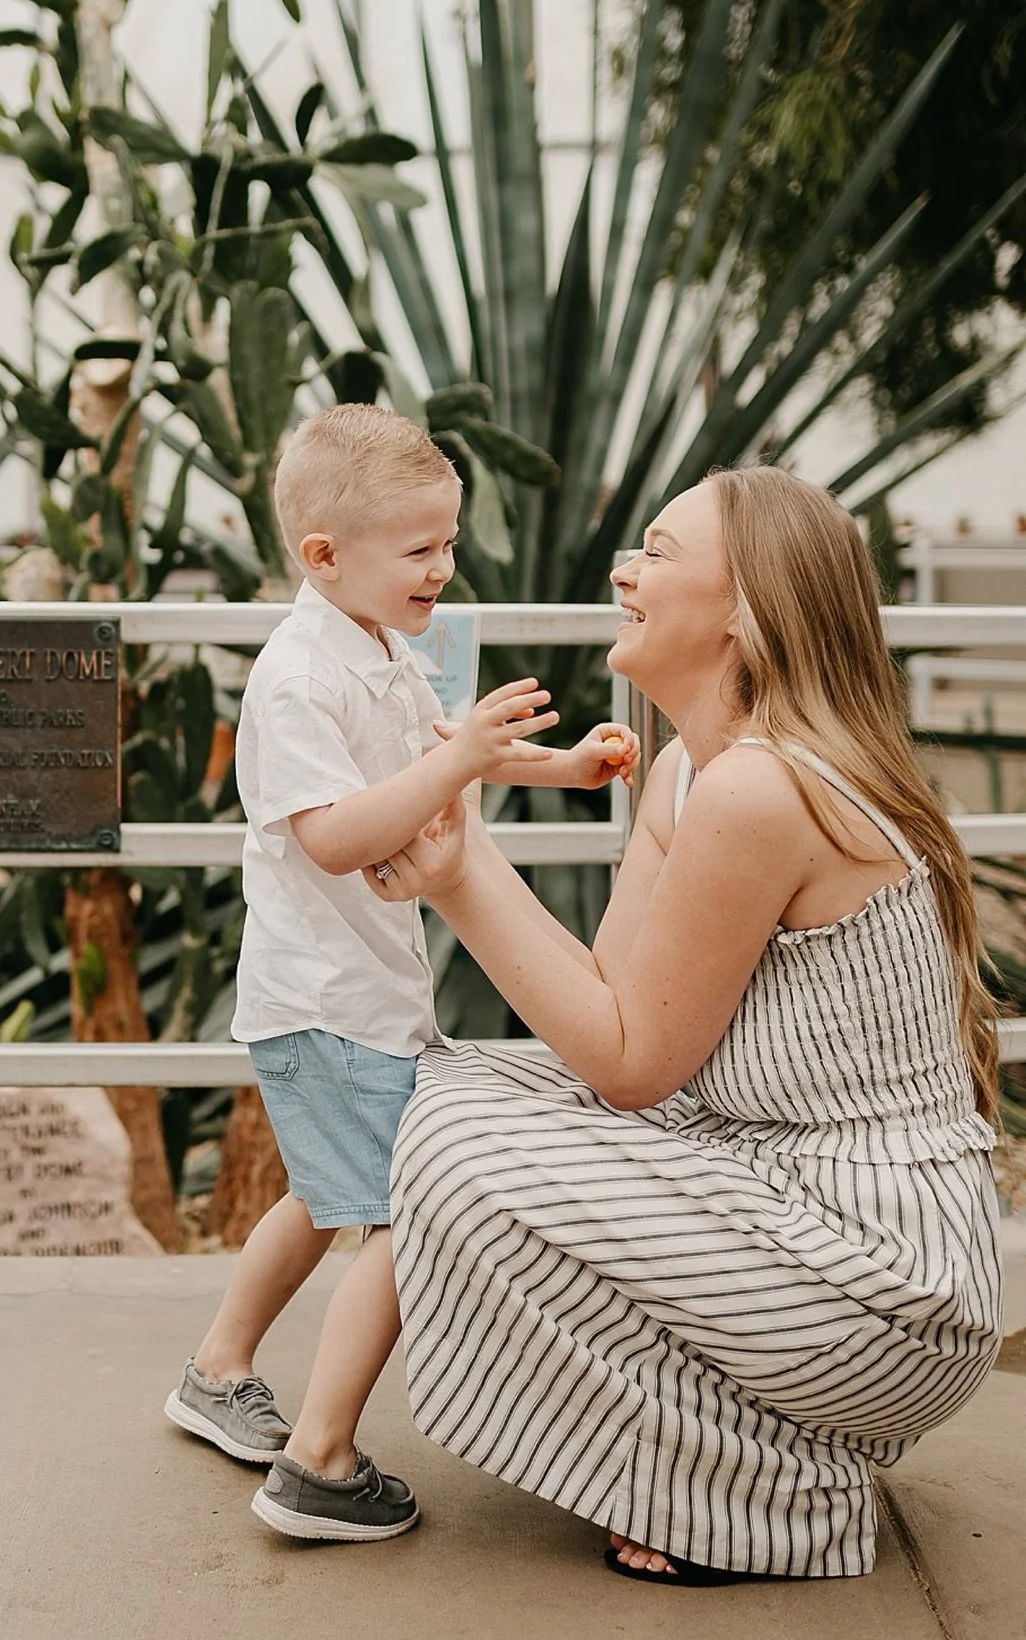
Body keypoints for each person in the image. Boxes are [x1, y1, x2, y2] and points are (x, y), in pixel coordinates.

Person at [369, 465, 1002, 1584]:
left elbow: (626, 1067)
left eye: (658, 551)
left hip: (883, 1284)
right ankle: (747, 1453)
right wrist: (464, 853)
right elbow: (608, 1012)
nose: (623, 569)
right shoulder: (684, 776)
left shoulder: (765, 789)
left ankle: (773, 1496)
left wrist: (459, 871)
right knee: (455, 1093)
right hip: (778, 1212)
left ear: (747, 608)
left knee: (465, 1146)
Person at [165, 404, 639, 1541]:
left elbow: (436, 755)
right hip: (325, 1001)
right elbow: (332, 835)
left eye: (450, 542)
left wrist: (558, 766)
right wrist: (468, 758)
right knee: (395, 1216)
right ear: (324, 555)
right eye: (420, 548)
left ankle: (216, 1370)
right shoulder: (295, 681)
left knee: (325, 1198)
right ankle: (320, 1465)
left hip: (358, 992)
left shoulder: (378, 641)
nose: (444, 567)